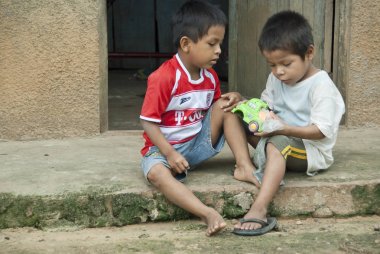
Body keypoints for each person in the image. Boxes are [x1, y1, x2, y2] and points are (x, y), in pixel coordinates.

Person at [139, 0, 257, 236]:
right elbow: (148, 122)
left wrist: (236, 98)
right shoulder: (164, 77)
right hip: (163, 150)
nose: (219, 51)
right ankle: (207, 213)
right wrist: (170, 153)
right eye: (212, 44)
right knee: (155, 174)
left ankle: (244, 166)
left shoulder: (210, 76)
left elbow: (214, 110)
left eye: (220, 44)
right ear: (186, 44)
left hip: (196, 145)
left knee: (226, 106)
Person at [232, 10, 345, 236]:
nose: (279, 72)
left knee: (280, 142)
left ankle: (259, 208)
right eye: (272, 65)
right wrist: (244, 104)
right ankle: (246, 167)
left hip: (309, 150)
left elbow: (321, 131)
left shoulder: (321, 86)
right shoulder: (276, 78)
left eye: (286, 63)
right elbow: (266, 108)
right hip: (277, 136)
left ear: (309, 53)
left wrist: (285, 128)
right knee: (232, 113)